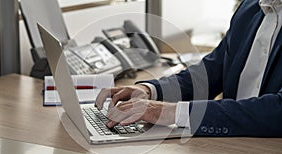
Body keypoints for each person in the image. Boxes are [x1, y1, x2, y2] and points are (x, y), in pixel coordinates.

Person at [95, 0, 282, 137]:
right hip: (231, 148)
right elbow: (212, 70)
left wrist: (171, 112)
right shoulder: (249, 9)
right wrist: (150, 91)